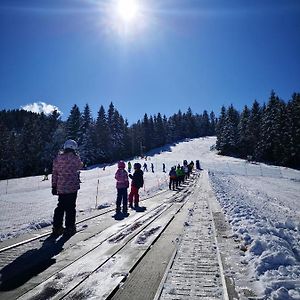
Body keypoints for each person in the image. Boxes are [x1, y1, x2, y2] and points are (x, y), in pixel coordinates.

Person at [51, 139, 83, 238]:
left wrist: (54, 186)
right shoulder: (75, 158)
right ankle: (70, 228)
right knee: (71, 207)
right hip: (72, 188)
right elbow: (80, 166)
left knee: (60, 206)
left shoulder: (58, 158)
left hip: (61, 187)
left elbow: (55, 173)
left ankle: (57, 227)